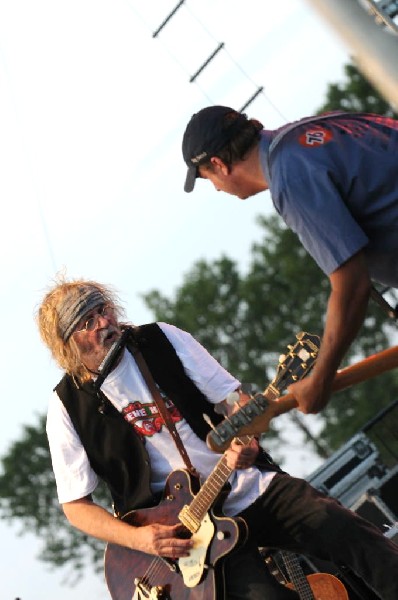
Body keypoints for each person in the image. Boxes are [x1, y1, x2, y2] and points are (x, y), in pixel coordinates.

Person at [38, 277, 398, 600]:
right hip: (188, 543)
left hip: (244, 484)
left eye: (104, 309)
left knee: (347, 530)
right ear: (68, 345)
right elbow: (76, 508)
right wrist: (141, 539)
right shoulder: (66, 406)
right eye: (89, 321)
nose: (104, 322)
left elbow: (233, 401)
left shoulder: (161, 338)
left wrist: (248, 441)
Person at [181, 106, 398, 415]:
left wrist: (320, 379)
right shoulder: (315, 130)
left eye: (207, 178)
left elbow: (351, 285)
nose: (217, 188)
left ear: (218, 164)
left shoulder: (290, 175)